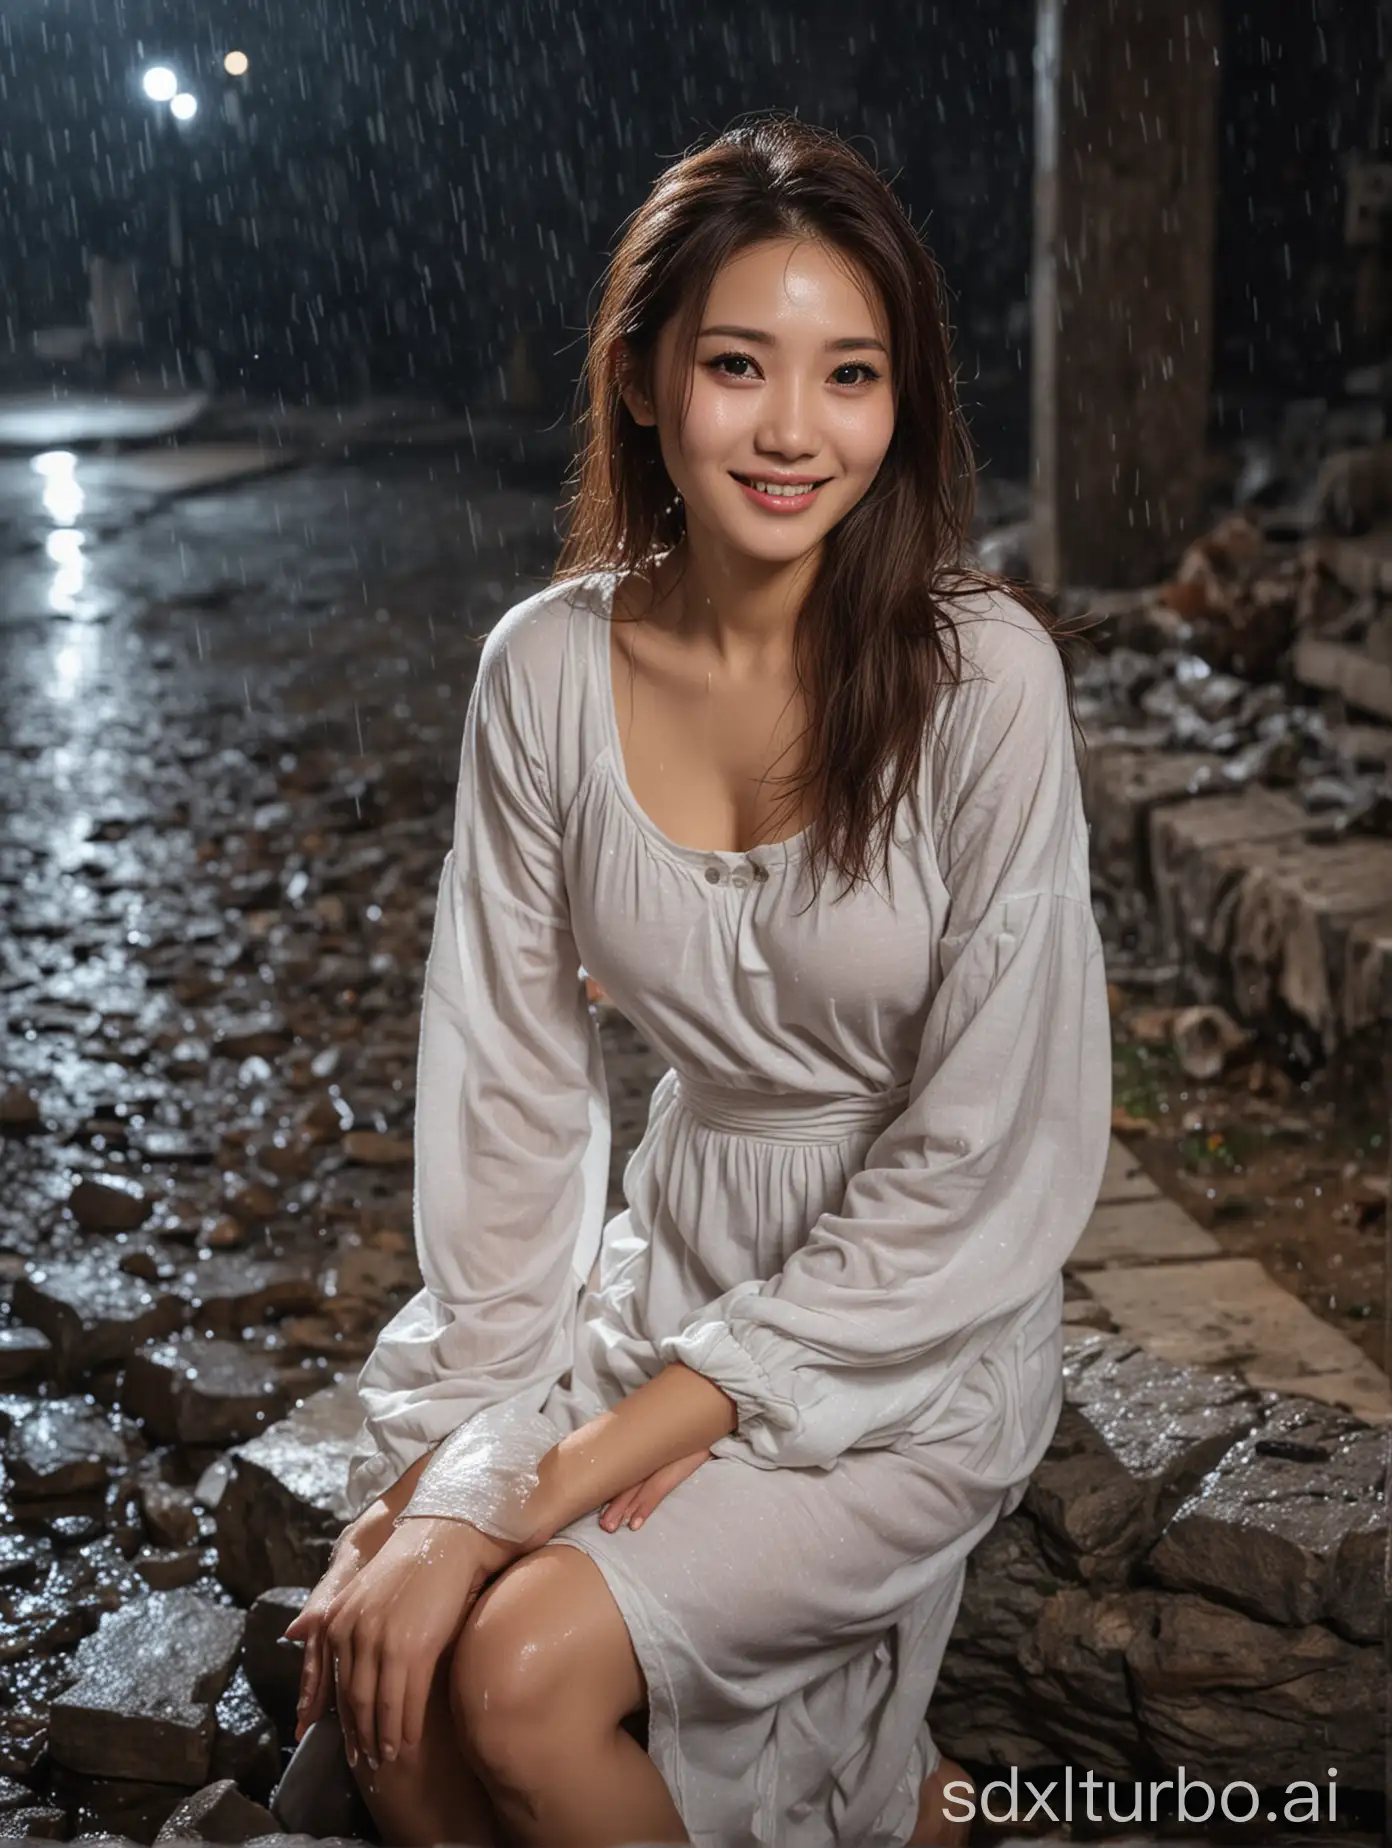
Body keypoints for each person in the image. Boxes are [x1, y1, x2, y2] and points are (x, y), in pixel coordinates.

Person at [280, 111, 1112, 1848]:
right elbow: (510, 1100)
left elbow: (985, 1153)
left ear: (907, 402)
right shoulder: (547, 670)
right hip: (672, 1267)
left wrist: (515, 1497)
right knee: (402, 1706)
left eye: (854, 374)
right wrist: (464, 1438)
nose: (798, 430)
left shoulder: (986, 681)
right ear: (647, 377)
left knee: (512, 1672)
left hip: (908, 1326)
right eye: (739, 363)